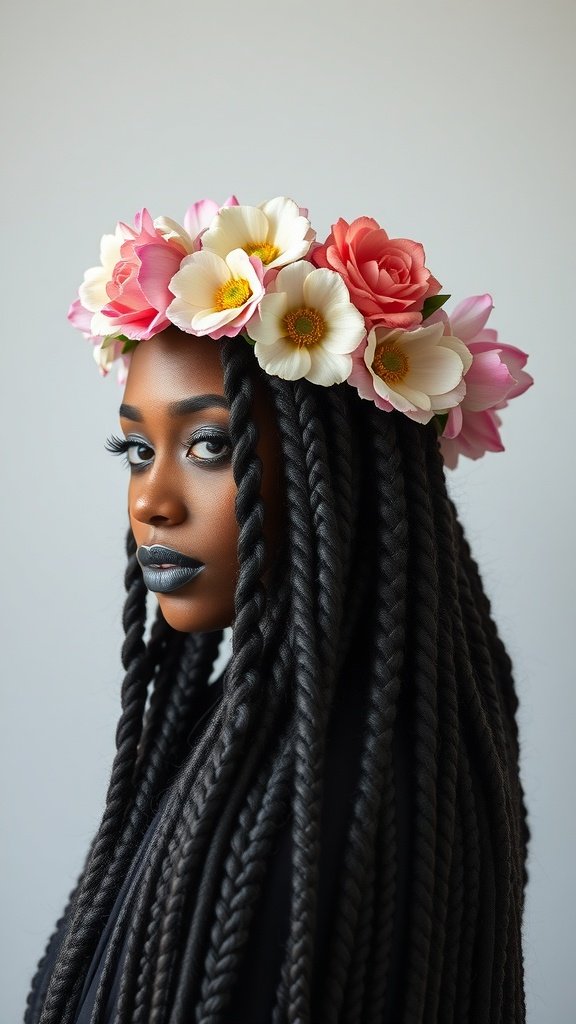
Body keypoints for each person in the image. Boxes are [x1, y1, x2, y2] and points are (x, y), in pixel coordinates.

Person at [25, 196, 532, 1024]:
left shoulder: (315, 811)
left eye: (208, 446)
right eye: (137, 449)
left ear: (345, 474)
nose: (151, 499)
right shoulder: (278, 735)